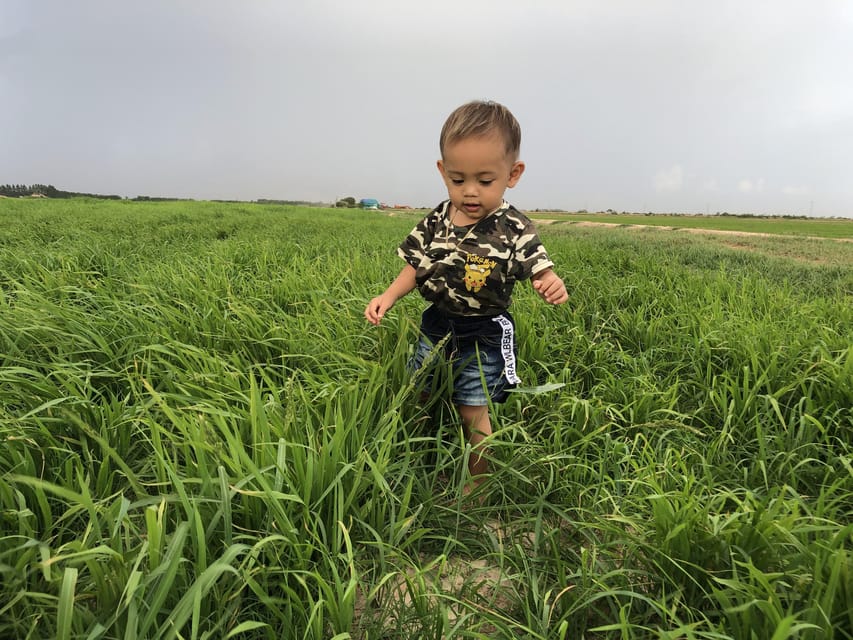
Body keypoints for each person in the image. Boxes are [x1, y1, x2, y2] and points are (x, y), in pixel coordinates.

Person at [364, 100, 568, 493]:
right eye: (458, 180)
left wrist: (550, 281)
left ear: (513, 174)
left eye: (485, 181)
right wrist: (387, 296)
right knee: (421, 386)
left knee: (472, 406)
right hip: (436, 322)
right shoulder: (438, 217)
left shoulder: (514, 227)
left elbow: (540, 267)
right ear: (443, 172)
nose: (470, 192)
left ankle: (479, 480)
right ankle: (418, 448)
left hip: (483, 332)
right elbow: (415, 264)